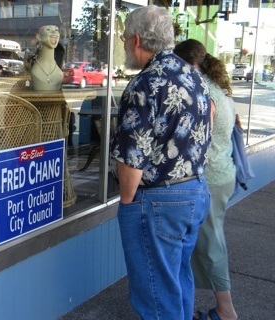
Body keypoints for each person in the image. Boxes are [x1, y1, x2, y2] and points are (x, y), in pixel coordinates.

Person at [110, 6, 212, 320]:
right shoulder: (191, 73)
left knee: (156, 296)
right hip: (194, 191)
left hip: (158, 201)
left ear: (137, 40)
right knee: (178, 281)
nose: (125, 44)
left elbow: (131, 159)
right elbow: (211, 118)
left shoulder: (144, 85)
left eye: (125, 38)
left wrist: (127, 205)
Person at [174, 39, 238, 320]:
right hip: (224, 175)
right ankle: (190, 308)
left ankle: (226, 311)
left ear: (191, 65)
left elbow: (195, 140)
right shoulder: (220, 91)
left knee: (211, 245)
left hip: (210, 178)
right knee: (206, 243)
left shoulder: (203, 93)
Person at [31, 25, 63, 91]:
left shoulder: (58, 71)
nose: (54, 32)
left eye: (56, 30)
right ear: (39, 37)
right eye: (48, 30)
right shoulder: (35, 70)